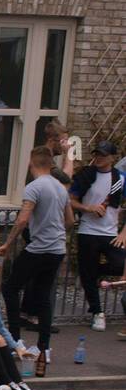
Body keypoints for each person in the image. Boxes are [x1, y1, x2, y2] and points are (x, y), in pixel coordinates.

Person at [0, 146, 73, 368]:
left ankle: (15, 340)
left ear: (32, 164)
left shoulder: (34, 187)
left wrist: (7, 245)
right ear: (51, 164)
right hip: (57, 249)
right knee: (43, 296)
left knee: (10, 289)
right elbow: (69, 221)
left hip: (38, 248)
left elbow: (22, 219)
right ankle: (43, 348)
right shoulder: (60, 188)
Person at [69, 141, 124, 332]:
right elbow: (71, 200)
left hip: (110, 232)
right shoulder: (86, 175)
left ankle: (93, 274)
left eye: (103, 155)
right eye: (97, 154)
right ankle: (97, 312)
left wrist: (124, 233)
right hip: (88, 230)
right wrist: (88, 208)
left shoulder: (120, 179)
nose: (99, 158)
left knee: (119, 264)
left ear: (112, 157)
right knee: (88, 272)